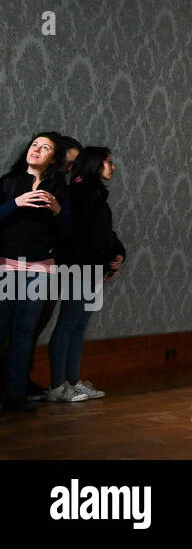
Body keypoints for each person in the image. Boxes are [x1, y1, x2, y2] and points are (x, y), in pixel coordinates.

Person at [0, 133, 72, 412]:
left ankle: (15, 395)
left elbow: (67, 234)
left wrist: (57, 210)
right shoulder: (9, 182)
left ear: (52, 158)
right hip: (7, 267)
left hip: (41, 271)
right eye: (34, 145)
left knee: (24, 333)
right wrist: (16, 203)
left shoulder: (60, 190)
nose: (37, 150)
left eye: (45, 148)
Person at [46, 146, 124, 403]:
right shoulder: (79, 191)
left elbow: (104, 233)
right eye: (108, 162)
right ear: (95, 164)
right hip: (79, 268)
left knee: (79, 326)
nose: (112, 167)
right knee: (69, 323)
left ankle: (73, 381)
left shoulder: (95, 193)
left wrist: (118, 253)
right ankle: (58, 385)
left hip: (92, 268)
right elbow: (72, 233)